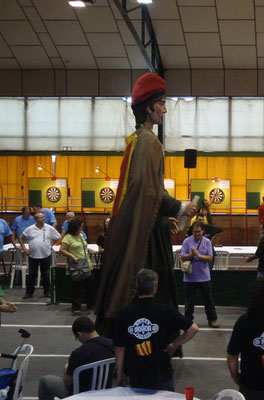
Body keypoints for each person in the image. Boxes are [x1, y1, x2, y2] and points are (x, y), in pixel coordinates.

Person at [95, 73, 197, 338]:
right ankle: (154, 344)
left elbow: (145, 189)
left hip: (141, 225)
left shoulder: (137, 140)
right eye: (161, 103)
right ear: (149, 108)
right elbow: (147, 187)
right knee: (152, 286)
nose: (164, 109)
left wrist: (165, 216)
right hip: (146, 237)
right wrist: (178, 208)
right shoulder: (150, 142)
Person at [114, 269, 199, 390]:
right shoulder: (165, 311)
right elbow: (193, 329)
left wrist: (119, 376)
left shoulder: (124, 313)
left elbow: (119, 349)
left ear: (137, 286)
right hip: (161, 373)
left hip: (136, 374)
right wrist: (174, 345)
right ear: (155, 288)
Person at [38, 317, 114, 400]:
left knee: (44, 381)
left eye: (76, 338)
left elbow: (67, 382)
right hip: (105, 392)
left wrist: (67, 369)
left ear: (79, 334)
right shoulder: (113, 345)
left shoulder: (78, 353)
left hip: (82, 395)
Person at [181, 221, 218, 328]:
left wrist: (198, 255)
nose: (196, 234)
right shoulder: (187, 241)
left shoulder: (207, 242)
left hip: (204, 276)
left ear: (203, 231)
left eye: (198, 232)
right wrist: (191, 254)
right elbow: (183, 257)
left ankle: (212, 319)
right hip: (190, 277)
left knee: (208, 299)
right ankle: (188, 321)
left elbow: (210, 258)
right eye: (194, 232)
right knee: (189, 300)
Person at [19, 212, 61, 299]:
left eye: (44, 217)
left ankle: (47, 291)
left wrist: (51, 245)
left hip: (46, 255)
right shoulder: (30, 229)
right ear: (36, 219)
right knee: (32, 275)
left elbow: (58, 237)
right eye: (41, 218)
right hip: (33, 256)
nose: (44, 219)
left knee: (46, 274)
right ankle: (29, 292)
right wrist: (24, 249)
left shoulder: (49, 228)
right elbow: (21, 238)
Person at [60, 218, 96, 315]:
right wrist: (72, 256)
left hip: (87, 264)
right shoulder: (67, 237)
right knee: (77, 287)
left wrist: (88, 249)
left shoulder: (81, 236)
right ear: (75, 227)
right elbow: (62, 250)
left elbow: (82, 246)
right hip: (77, 265)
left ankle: (90, 304)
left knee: (90, 286)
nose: (82, 228)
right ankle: (76, 307)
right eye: (81, 226)